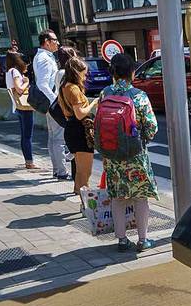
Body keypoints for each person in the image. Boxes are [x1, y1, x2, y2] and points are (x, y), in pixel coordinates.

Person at [101, 54, 160, 253]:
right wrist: (141, 140)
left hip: (112, 155)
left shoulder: (105, 93)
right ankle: (143, 240)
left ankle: (122, 240)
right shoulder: (138, 95)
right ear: (132, 72)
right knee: (140, 197)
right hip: (135, 154)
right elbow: (152, 126)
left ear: (113, 73)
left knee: (117, 198)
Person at [58, 55, 98, 207]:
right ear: (76, 72)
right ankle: (86, 205)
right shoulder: (73, 89)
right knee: (85, 172)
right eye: (84, 72)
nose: (85, 75)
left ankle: (79, 193)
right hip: (80, 130)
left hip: (71, 128)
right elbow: (80, 113)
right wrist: (93, 103)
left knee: (80, 169)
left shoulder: (64, 87)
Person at [33, 30, 70, 180]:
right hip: (52, 104)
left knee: (53, 137)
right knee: (59, 138)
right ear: (47, 42)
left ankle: (57, 170)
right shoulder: (44, 58)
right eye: (55, 40)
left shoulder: (42, 56)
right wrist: (56, 101)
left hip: (49, 104)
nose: (58, 43)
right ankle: (61, 171)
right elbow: (42, 83)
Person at [5, 51, 37, 170]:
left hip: (17, 106)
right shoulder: (15, 72)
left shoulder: (9, 71)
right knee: (27, 136)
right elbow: (19, 89)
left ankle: (28, 161)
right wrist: (27, 82)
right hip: (24, 106)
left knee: (24, 135)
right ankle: (29, 162)